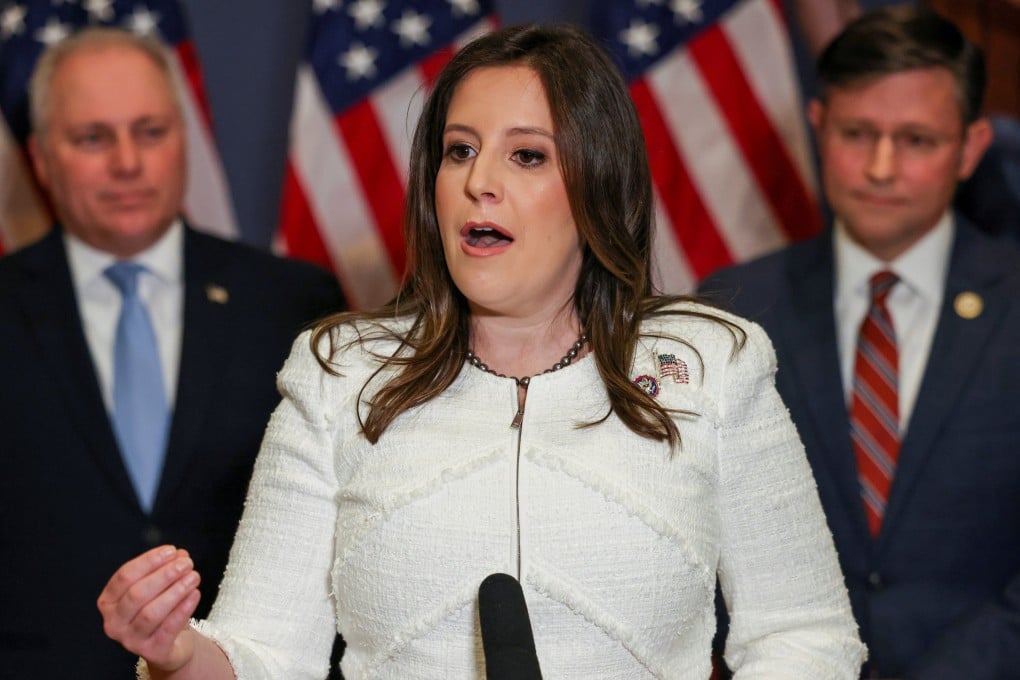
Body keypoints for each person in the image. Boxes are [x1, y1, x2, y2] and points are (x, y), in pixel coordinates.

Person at [99, 23, 865, 679]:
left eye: (526, 156)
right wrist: (174, 654)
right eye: (459, 151)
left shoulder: (711, 366)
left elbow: (806, 634)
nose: (478, 183)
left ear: (597, 183)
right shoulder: (340, 372)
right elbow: (263, 654)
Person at [0, 27, 345, 678]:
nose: (128, 163)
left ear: (184, 139)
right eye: (93, 138)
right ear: (43, 159)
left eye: (151, 131)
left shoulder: (293, 301)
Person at [700, 6, 1020, 678]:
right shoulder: (733, 307)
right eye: (857, 133)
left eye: (916, 140)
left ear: (970, 147)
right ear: (817, 125)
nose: (880, 167)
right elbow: (702, 540)